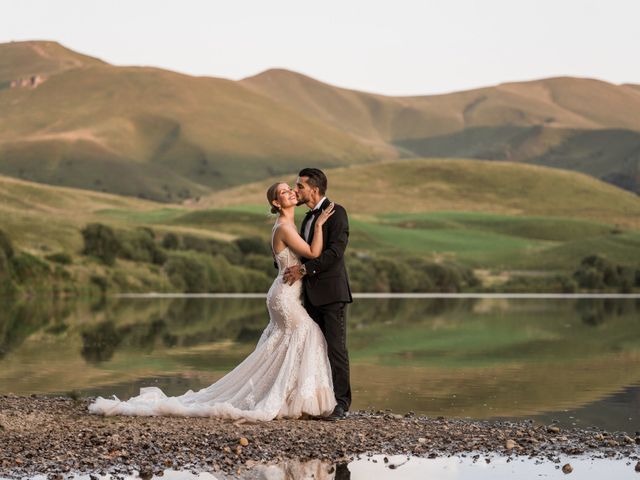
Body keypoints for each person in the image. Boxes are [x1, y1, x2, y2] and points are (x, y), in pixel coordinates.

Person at [88, 182, 337, 421]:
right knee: (307, 332)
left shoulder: (289, 224)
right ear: (276, 201)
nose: (292, 192)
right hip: (285, 296)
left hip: (286, 293)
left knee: (287, 343)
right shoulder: (283, 227)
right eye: (284, 191)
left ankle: (290, 398)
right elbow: (314, 254)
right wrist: (319, 227)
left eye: (291, 189)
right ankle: (295, 399)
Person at [283, 168, 352, 421]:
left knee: (336, 349)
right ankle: (317, 400)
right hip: (309, 296)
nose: (296, 190)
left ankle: (342, 404)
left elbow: (335, 253)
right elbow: (305, 250)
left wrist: (303, 269)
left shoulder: (337, 213)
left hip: (332, 294)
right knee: (314, 348)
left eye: (299, 186)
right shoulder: (307, 218)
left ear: (314, 189)